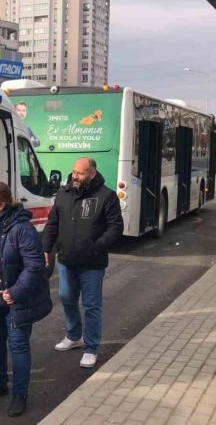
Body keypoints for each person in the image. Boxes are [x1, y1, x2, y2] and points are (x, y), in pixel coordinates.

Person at [0, 182, 52, 416]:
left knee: (18, 346)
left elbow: (35, 266)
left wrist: (15, 291)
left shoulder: (22, 229)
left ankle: (19, 395)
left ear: (1, 204)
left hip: (15, 302)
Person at [42, 157, 123, 368]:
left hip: (92, 264)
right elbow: (52, 223)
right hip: (66, 260)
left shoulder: (106, 196)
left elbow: (116, 227)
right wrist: (45, 248)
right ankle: (73, 335)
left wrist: (96, 246)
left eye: (80, 173)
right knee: (66, 298)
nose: (75, 176)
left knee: (91, 306)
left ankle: (91, 348)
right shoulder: (64, 193)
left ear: (92, 174)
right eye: (74, 172)